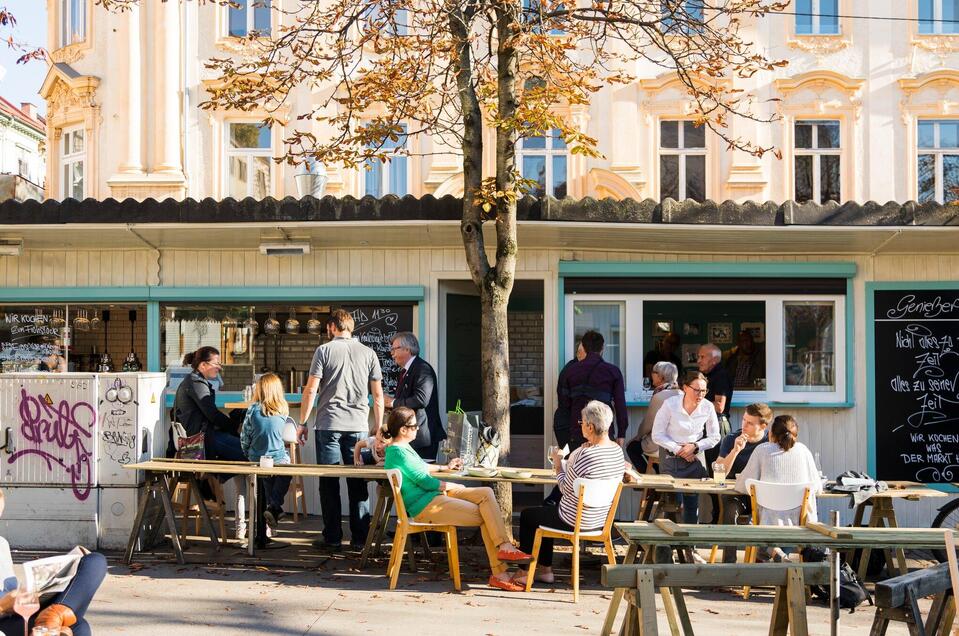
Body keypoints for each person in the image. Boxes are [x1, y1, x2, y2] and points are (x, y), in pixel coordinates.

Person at [383, 407, 533, 591]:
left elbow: (422, 468)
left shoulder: (404, 449)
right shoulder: (398, 452)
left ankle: (505, 547)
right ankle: (500, 572)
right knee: (486, 515)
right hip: (425, 506)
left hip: (434, 497)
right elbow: (425, 482)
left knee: (486, 493)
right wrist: (453, 486)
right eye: (414, 426)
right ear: (403, 430)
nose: (418, 428)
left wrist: (445, 467)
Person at [511, 401, 625, 588]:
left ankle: (525, 572)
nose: (580, 425)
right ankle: (544, 571)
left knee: (528, 516)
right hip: (599, 520)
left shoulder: (582, 454)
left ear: (590, 426)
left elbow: (564, 488)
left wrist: (558, 463)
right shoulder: (617, 452)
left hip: (573, 519)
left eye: (581, 422)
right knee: (545, 512)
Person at [299, 309, 384, 551]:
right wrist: (377, 429)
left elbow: (311, 390)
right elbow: (377, 396)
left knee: (329, 483)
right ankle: (360, 539)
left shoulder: (324, 351)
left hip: (328, 425)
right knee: (357, 483)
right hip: (357, 427)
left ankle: (333, 538)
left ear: (332, 327)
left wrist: (303, 422)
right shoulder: (369, 353)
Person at [0, 490, 107, 635]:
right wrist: (3, 606)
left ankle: (50, 623)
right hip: (5, 621)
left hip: (24, 612)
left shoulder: (2, 544)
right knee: (78, 626)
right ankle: (50, 625)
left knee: (95, 561)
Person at [651, 370, 720, 526]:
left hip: (694, 455)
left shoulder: (708, 407)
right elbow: (657, 434)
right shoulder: (670, 404)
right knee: (671, 502)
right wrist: (679, 450)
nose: (701, 394)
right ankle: (667, 546)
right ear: (685, 388)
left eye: (704, 390)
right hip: (671, 454)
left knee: (691, 503)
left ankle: (689, 546)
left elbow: (715, 436)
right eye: (697, 390)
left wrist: (695, 446)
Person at [735, 415, 822, 526]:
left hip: (767, 522)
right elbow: (818, 488)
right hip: (801, 523)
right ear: (795, 436)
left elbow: (741, 486)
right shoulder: (804, 451)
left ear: (771, 434)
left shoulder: (762, 450)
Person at [713, 402, 772, 562]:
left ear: (763, 426)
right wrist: (735, 450)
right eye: (744, 420)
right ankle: (729, 564)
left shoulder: (770, 443)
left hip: (761, 494)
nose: (744, 425)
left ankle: (762, 558)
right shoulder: (731, 439)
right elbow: (719, 474)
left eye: (750, 423)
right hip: (735, 492)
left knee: (773, 509)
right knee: (730, 510)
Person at [240, 373, 294, 532]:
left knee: (266, 474)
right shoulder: (283, 409)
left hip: (256, 457)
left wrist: (247, 453)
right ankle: (274, 506)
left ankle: (273, 507)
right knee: (286, 469)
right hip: (277, 457)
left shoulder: (252, 409)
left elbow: (245, 436)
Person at [173, 346, 246, 463]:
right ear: (203, 365)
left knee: (245, 449)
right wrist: (236, 427)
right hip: (202, 439)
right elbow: (213, 415)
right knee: (250, 452)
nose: (219, 367)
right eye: (216, 364)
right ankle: (214, 476)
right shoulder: (196, 383)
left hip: (204, 435)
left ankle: (214, 477)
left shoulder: (195, 381)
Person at [558, 330, 628, 451]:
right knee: (603, 468)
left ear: (583, 347)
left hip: (577, 429)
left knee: (576, 467)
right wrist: (622, 433)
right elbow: (620, 404)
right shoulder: (613, 371)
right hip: (604, 430)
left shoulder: (570, 371)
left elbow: (564, 404)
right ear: (602, 349)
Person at [385, 332, 445, 460]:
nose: (392, 353)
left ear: (407, 349)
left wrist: (393, 403)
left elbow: (421, 399)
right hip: (409, 435)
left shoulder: (422, 369)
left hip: (421, 437)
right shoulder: (405, 371)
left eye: (395, 349)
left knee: (420, 476)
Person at [698, 342, 733, 522]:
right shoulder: (708, 375)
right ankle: (716, 515)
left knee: (717, 471)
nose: (698, 361)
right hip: (710, 425)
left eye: (702, 357)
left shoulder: (720, 376)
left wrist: (696, 398)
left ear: (714, 358)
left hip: (718, 426)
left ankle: (720, 516)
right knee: (710, 471)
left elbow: (719, 406)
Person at [625, 361, 681, 474]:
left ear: (661, 376)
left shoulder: (660, 396)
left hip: (662, 445)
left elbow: (648, 424)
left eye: (653, 372)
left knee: (631, 447)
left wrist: (638, 436)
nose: (651, 374)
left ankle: (649, 482)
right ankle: (659, 477)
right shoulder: (681, 393)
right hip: (680, 443)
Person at [553, 341, 586, 450]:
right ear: (579, 353)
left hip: (567, 423)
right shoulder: (573, 370)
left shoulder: (576, 368)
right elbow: (568, 402)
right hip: (568, 425)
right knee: (570, 461)